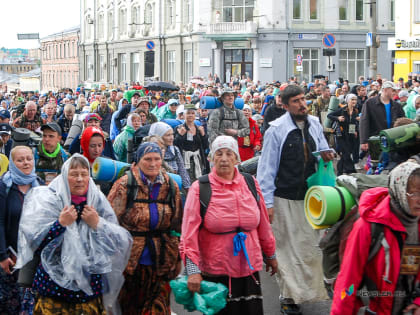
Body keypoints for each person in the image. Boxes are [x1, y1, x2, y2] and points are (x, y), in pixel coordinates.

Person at [15, 154, 132, 314]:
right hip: (54, 292)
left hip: (89, 293)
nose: (79, 179)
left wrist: (98, 224)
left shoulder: (97, 202)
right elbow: (34, 243)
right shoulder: (50, 201)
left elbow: (113, 246)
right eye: (74, 174)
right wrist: (60, 224)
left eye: (84, 174)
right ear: (64, 176)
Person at [256, 85, 334, 314]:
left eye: (303, 100)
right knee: (286, 250)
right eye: (296, 101)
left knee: (310, 247)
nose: (302, 104)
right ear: (286, 105)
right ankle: (288, 297)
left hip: (311, 198)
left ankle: (308, 291)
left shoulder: (315, 124)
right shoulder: (276, 130)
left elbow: (321, 150)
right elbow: (266, 170)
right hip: (284, 198)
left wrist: (327, 153)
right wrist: (267, 204)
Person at [180, 136, 278, 315]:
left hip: (248, 269)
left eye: (229, 154)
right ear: (211, 159)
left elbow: (263, 223)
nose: (224, 159)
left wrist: (271, 255)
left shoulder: (250, 183)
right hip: (216, 271)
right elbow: (188, 234)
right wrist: (193, 271)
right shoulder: (200, 188)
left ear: (237, 159)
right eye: (219, 154)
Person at [331, 162, 420, 314]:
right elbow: (348, 280)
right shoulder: (368, 227)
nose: (419, 199)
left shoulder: (416, 223)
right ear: (399, 190)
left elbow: (413, 270)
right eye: (414, 193)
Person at [107, 142, 183, 315]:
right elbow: (109, 225)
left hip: (161, 261)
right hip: (131, 264)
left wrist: (177, 258)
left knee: (159, 309)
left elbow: (177, 223)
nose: (153, 163)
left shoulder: (170, 185)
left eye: (157, 159)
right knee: (131, 309)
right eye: (147, 159)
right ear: (138, 161)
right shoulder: (125, 185)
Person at [0, 146, 42, 314]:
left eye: (29, 158)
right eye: (20, 160)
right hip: (10, 259)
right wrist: (2, 256)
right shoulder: (5, 186)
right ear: (12, 162)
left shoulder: (39, 185)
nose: (25, 163)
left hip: (33, 260)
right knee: (9, 305)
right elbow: (0, 222)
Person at [360, 81, 405, 152]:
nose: (395, 93)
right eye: (393, 90)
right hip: (376, 139)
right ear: (385, 90)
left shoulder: (397, 105)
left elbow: (403, 122)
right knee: (376, 161)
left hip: (393, 140)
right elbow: (364, 122)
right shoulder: (370, 103)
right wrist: (364, 140)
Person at [149, 122, 191, 190]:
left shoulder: (174, 150)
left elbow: (182, 170)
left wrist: (188, 187)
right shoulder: (149, 151)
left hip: (174, 186)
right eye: (168, 135)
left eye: (172, 134)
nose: (171, 138)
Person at [174, 104, 208, 182]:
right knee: (186, 181)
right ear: (183, 115)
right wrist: (180, 135)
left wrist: (203, 135)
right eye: (188, 113)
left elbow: (205, 145)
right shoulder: (179, 128)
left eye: (192, 113)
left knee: (198, 181)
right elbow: (174, 145)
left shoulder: (199, 129)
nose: (190, 115)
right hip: (184, 160)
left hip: (198, 160)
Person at [328, 93, 360, 175]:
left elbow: (352, 123)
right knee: (345, 153)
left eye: (355, 99)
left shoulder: (355, 111)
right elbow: (329, 115)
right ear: (348, 101)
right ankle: (351, 171)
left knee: (347, 153)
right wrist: (338, 118)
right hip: (340, 134)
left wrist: (355, 131)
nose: (354, 101)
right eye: (352, 99)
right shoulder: (342, 110)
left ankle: (339, 171)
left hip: (350, 134)